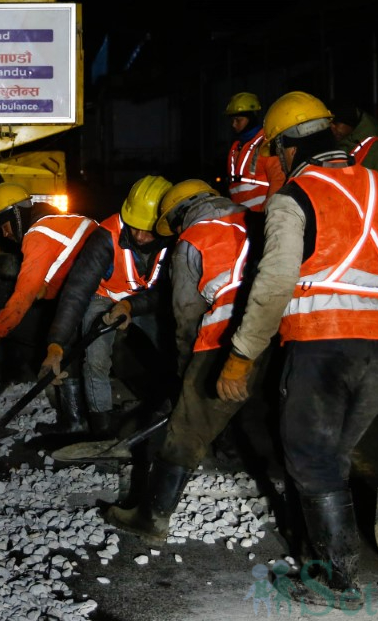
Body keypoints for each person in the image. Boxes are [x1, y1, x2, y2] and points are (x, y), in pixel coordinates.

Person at [217, 91, 378, 602]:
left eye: (276, 152)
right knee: (332, 456)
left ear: (288, 148)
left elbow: (275, 282)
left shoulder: (292, 198)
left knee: (310, 458)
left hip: (320, 347)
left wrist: (242, 355)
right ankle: (317, 555)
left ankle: (336, 581)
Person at [105, 180, 269, 542]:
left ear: (180, 215)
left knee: (186, 427)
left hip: (224, 338)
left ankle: (151, 518)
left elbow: (187, 313)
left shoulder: (193, 239)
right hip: (273, 330)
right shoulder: (254, 219)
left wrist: (187, 371)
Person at [40, 175, 174, 437]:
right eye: (134, 227)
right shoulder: (106, 236)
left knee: (173, 351)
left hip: (150, 302)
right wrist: (56, 343)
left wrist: (130, 306)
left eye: (148, 230)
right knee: (95, 360)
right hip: (105, 298)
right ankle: (102, 430)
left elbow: (170, 292)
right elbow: (77, 292)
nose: (139, 236)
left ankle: (172, 410)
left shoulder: (177, 239)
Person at [0, 182, 99, 433]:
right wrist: (45, 288)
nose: (4, 234)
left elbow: (25, 293)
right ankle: (81, 419)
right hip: (105, 282)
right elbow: (63, 262)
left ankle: (76, 423)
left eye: (4, 225)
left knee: (63, 347)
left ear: (15, 215)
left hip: (97, 289)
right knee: (71, 345)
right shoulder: (58, 221)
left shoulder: (37, 234)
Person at [225, 92, 285, 212]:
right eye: (232, 120)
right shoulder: (236, 147)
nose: (234, 124)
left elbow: (278, 180)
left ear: (251, 118)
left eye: (238, 120)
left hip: (261, 215)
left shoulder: (266, 143)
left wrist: (268, 213)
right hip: (240, 217)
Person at [328, 102, 378, 181]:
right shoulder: (337, 148)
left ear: (350, 123)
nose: (332, 127)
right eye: (329, 124)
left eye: (336, 123)